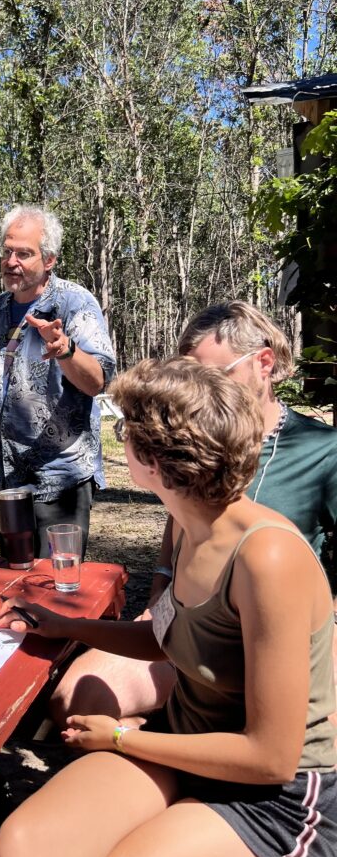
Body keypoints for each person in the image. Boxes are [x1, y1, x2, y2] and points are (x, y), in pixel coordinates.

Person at [0, 358, 337, 857]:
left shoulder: (267, 558)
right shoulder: (187, 522)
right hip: (184, 741)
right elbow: (169, 638)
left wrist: (123, 739)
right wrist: (67, 627)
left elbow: (270, 758)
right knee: (25, 847)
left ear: (150, 459)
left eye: (124, 429)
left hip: (273, 798)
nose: (120, 437)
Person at [50, 301, 337, 726]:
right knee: (72, 701)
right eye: (191, 378)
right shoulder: (183, 444)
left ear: (264, 362)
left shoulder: (324, 453)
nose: (198, 392)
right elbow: (181, 522)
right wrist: (159, 598)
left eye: (212, 376)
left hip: (278, 650)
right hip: (189, 634)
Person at [0, 204, 115, 556]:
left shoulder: (73, 303)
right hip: (10, 475)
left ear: (49, 260)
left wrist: (65, 351)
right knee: (16, 579)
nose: (11, 261)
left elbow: (97, 381)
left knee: (56, 586)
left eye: (24, 253)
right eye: (7, 251)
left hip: (61, 475)